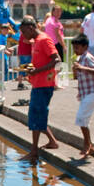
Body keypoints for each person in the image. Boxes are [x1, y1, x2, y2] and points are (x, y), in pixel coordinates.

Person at [18, 15, 60, 162]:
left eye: (24, 32)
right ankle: (51, 142)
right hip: (38, 83)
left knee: (36, 117)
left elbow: (56, 59)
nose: (23, 35)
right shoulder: (35, 41)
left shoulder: (44, 39)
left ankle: (34, 152)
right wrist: (32, 69)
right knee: (37, 116)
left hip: (44, 85)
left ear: (31, 28)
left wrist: (37, 71)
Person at [71, 33, 94, 158]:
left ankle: (87, 144)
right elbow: (77, 77)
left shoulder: (88, 58)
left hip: (93, 92)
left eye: (77, 48)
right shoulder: (80, 59)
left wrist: (82, 68)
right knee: (84, 120)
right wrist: (76, 70)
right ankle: (90, 145)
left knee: (81, 118)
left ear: (85, 47)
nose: (75, 50)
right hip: (85, 93)